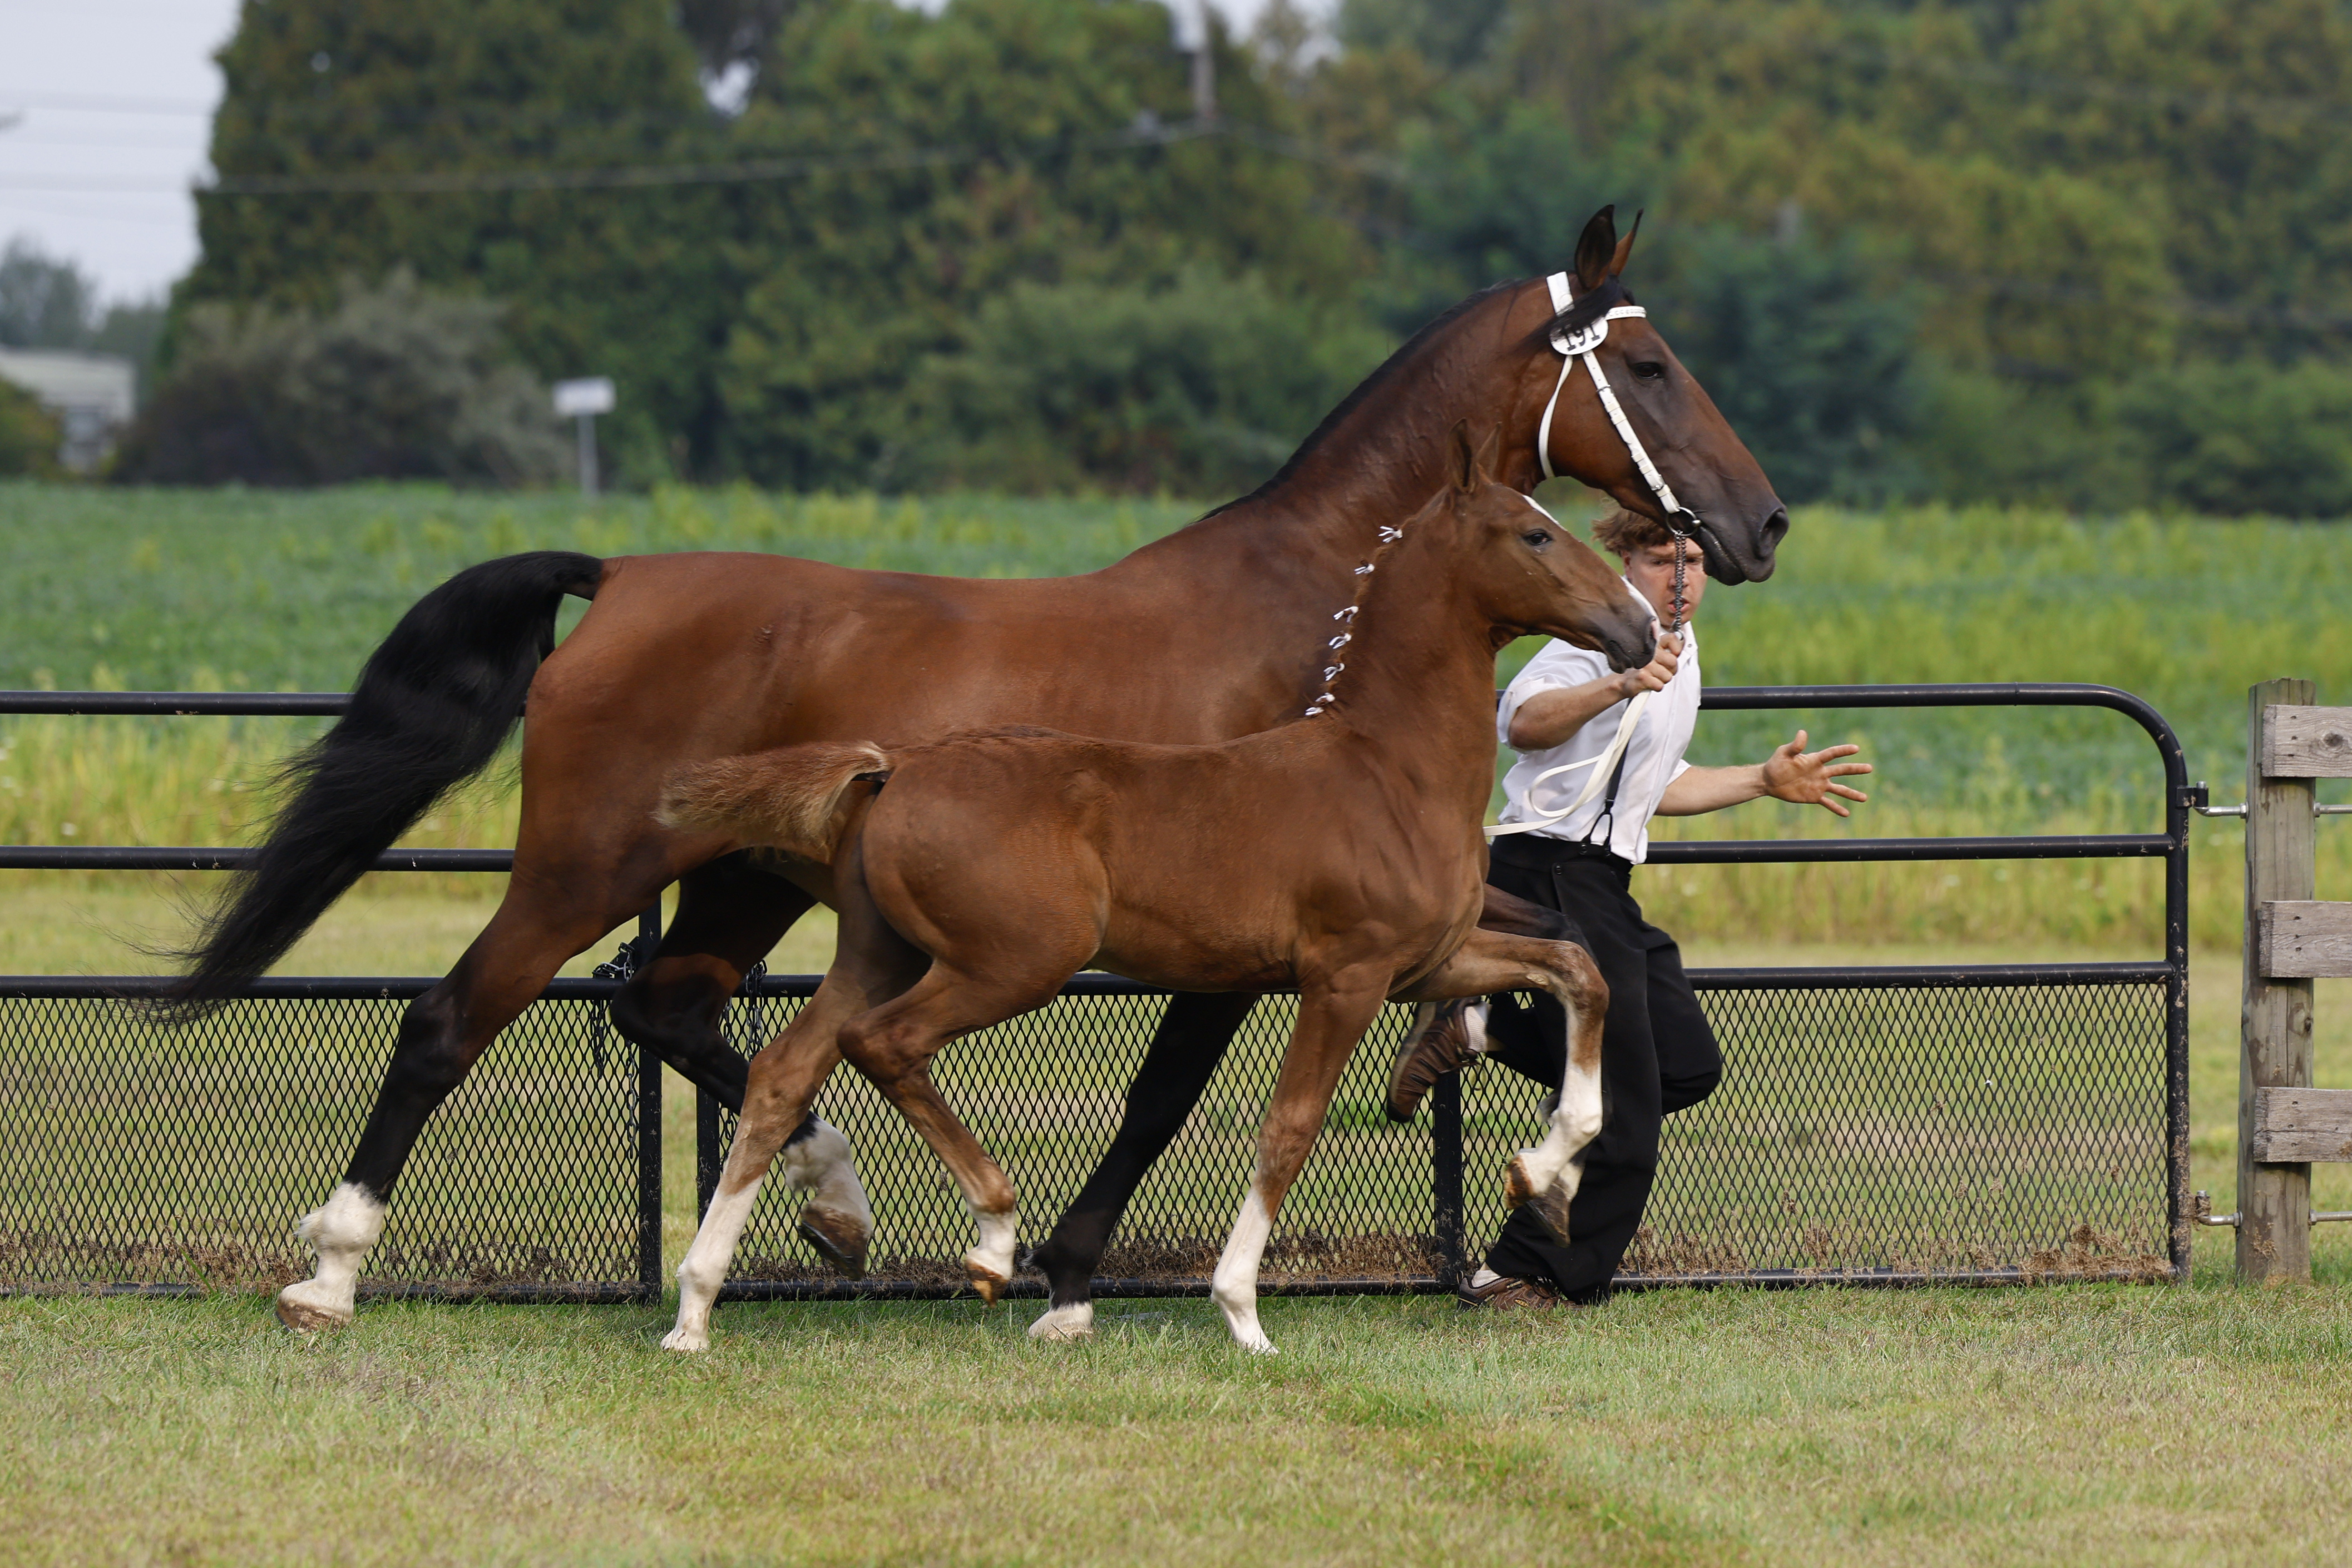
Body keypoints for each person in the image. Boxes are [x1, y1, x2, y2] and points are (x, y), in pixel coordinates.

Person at [1385, 508, 1872, 1309]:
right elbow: (1520, 721)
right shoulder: (1592, 636)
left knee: (1684, 1065)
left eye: (1694, 562)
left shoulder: (1682, 654)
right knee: (1627, 1101)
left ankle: (1482, 1026)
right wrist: (1615, 680)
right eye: (1661, 560)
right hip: (1545, 868)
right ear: (1624, 563)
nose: (1681, 579)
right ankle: (1521, 1272)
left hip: (1604, 879)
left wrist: (1760, 779)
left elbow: (1654, 785)